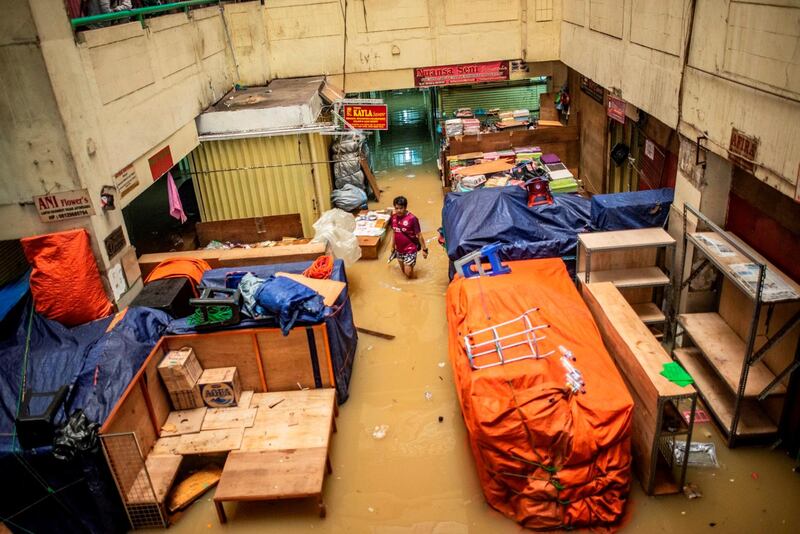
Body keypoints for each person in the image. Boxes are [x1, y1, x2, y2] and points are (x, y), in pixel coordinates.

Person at [389, 196, 428, 279]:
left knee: (408, 272)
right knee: (403, 272)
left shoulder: (412, 219)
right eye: (396, 208)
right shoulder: (393, 218)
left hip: (410, 249)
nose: (398, 210)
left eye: (401, 208)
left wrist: (424, 249)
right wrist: (392, 247)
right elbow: (394, 232)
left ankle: (415, 284)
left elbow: (419, 235)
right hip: (399, 249)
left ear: (405, 207)